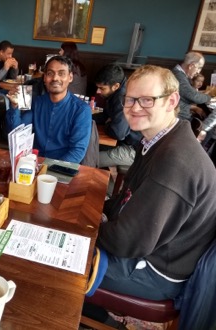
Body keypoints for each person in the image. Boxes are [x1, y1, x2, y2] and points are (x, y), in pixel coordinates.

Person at [84, 65, 216, 325]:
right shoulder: (158, 141)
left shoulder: (174, 161)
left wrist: (87, 225)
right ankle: (90, 312)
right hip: (154, 250)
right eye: (130, 99)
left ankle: (92, 316)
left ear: (172, 101)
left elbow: (126, 242)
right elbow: (124, 201)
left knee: (61, 259)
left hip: (158, 272)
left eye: (147, 100)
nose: (134, 108)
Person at [6, 55, 91, 163]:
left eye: (61, 73)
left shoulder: (81, 110)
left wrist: (51, 170)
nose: (55, 78)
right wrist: (14, 106)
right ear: (45, 78)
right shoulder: (36, 102)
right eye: (50, 73)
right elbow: (17, 133)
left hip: (61, 166)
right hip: (34, 162)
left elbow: (77, 152)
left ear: (70, 77)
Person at [94, 64, 142, 168]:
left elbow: (118, 133)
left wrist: (108, 124)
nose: (98, 92)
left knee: (90, 160)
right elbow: (105, 116)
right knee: (90, 148)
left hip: (135, 149)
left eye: (102, 88)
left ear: (116, 86)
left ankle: (107, 184)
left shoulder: (122, 98)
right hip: (126, 142)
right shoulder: (116, 92)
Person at [171, 51, 216, 121]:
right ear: (191, 66)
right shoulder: (179, 76)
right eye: (199, 68)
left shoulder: (180, 74)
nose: (198, 72)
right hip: (179, 118)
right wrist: (209, 98)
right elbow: (194, 96)